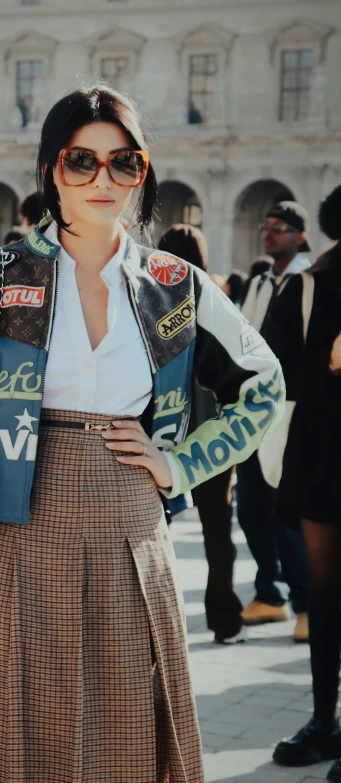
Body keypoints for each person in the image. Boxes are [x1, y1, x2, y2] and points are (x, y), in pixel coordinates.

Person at [0, 86, 284, 783]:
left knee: (122, 745)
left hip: (130, 525)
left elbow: (264, 385)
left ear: (142, 173)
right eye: (80, 161)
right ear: (50, 170)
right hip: (9, 534)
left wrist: (179, 464)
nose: (102, 179)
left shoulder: (177, 285)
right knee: (6, 741)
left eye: (124, 163)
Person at [268, 185, 341, 775]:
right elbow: (271, 367)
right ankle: (325, 720)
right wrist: (328, 363)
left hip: (322, 446)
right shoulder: (310, 284)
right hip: (323, 448)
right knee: (324, 585)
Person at [159, 224, 245, 644]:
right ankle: (224, 620)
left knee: (154, 533)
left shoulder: (147, 303)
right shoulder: (215, 302)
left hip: (163, 433)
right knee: (217, 530)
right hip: (210, 437)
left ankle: (153, 631)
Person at [237, 201, 311, 641]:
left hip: (296, 410)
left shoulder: (312, 281)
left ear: (300, 235)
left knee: (287, 510)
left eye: (279, 228)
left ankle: (306, 603)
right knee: (251, 508)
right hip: (256, 409)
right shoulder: (261, 282)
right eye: (266, 227)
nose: (269, 234)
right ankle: (270, 592)